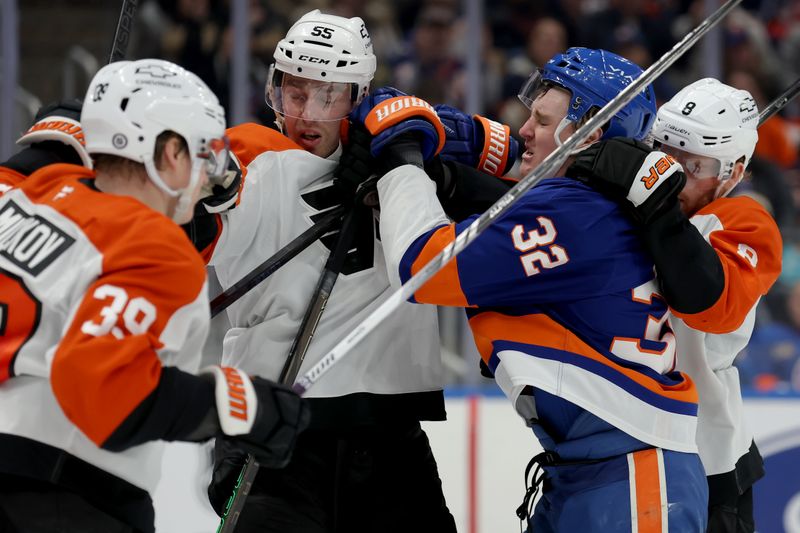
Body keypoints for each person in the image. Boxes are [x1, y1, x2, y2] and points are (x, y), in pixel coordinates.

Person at [349, 47, 708, 531]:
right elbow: (505, 203)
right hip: (598, 471)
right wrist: (441, 173)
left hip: (630, 478)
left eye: (540, 118)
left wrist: (402, 161)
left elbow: (423, 268)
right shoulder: (592, 206)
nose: (525, 130)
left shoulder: (574, 212)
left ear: (589, 133)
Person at [190, 9, 514, 533]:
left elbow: (519, 166)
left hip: (390, 436)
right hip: (274, 436)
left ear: (359, 98)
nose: (306, 114)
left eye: (328, 96)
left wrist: (426, 156)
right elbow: (185, 214)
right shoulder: (250, 154)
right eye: (294, 93)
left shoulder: (403, 157)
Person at [0, 59, 308, 533]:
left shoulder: (32, 193)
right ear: (168, 153)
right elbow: (103, 391)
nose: (209, 177)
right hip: (59, 496)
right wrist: (233, 402)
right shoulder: (152, 243)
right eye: (203, 154)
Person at [570, 78, 782, 533]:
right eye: (663, 154)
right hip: (621, 453)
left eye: (695, 165)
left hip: (708, 458)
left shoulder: (745, 221)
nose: (674, 174)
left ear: (735, 171)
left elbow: (710, 302)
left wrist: (655, 198)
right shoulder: (630, 202)